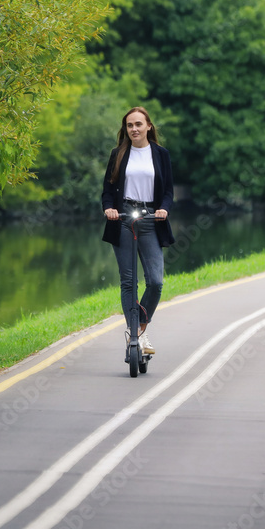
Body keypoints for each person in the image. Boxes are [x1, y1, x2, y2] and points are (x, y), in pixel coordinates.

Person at [101, 106, 175, 359]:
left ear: (149, 127)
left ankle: (141, 327)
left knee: (155, 281)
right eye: (129, 125)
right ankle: (134, 334)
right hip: (123, 219)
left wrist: (163, 209)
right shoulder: (119, 154)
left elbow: (168, 192)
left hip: (151, 219)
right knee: (129, 282)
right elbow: (108, 190)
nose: (134, 129)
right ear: (126, 129)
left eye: (138, 124)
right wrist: (109, 208)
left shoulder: (160, 154)